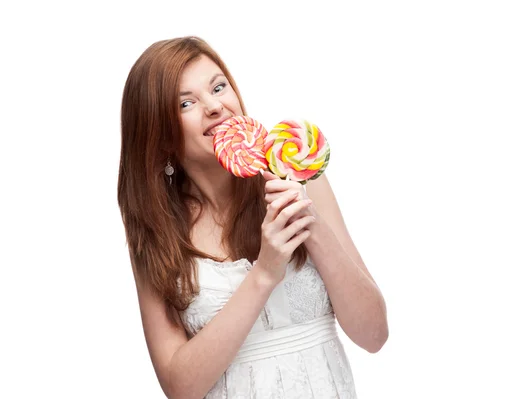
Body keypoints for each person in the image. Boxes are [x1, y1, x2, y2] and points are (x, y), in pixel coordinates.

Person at [117, 36, 388, 398]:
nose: (215, 106)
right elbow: (180, 387)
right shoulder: (157, 230)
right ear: (160, 135)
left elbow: (374, 335)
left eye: (218, 86)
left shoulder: (299, 177)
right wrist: (264, 273)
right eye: (186, 102)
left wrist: (312, 228)